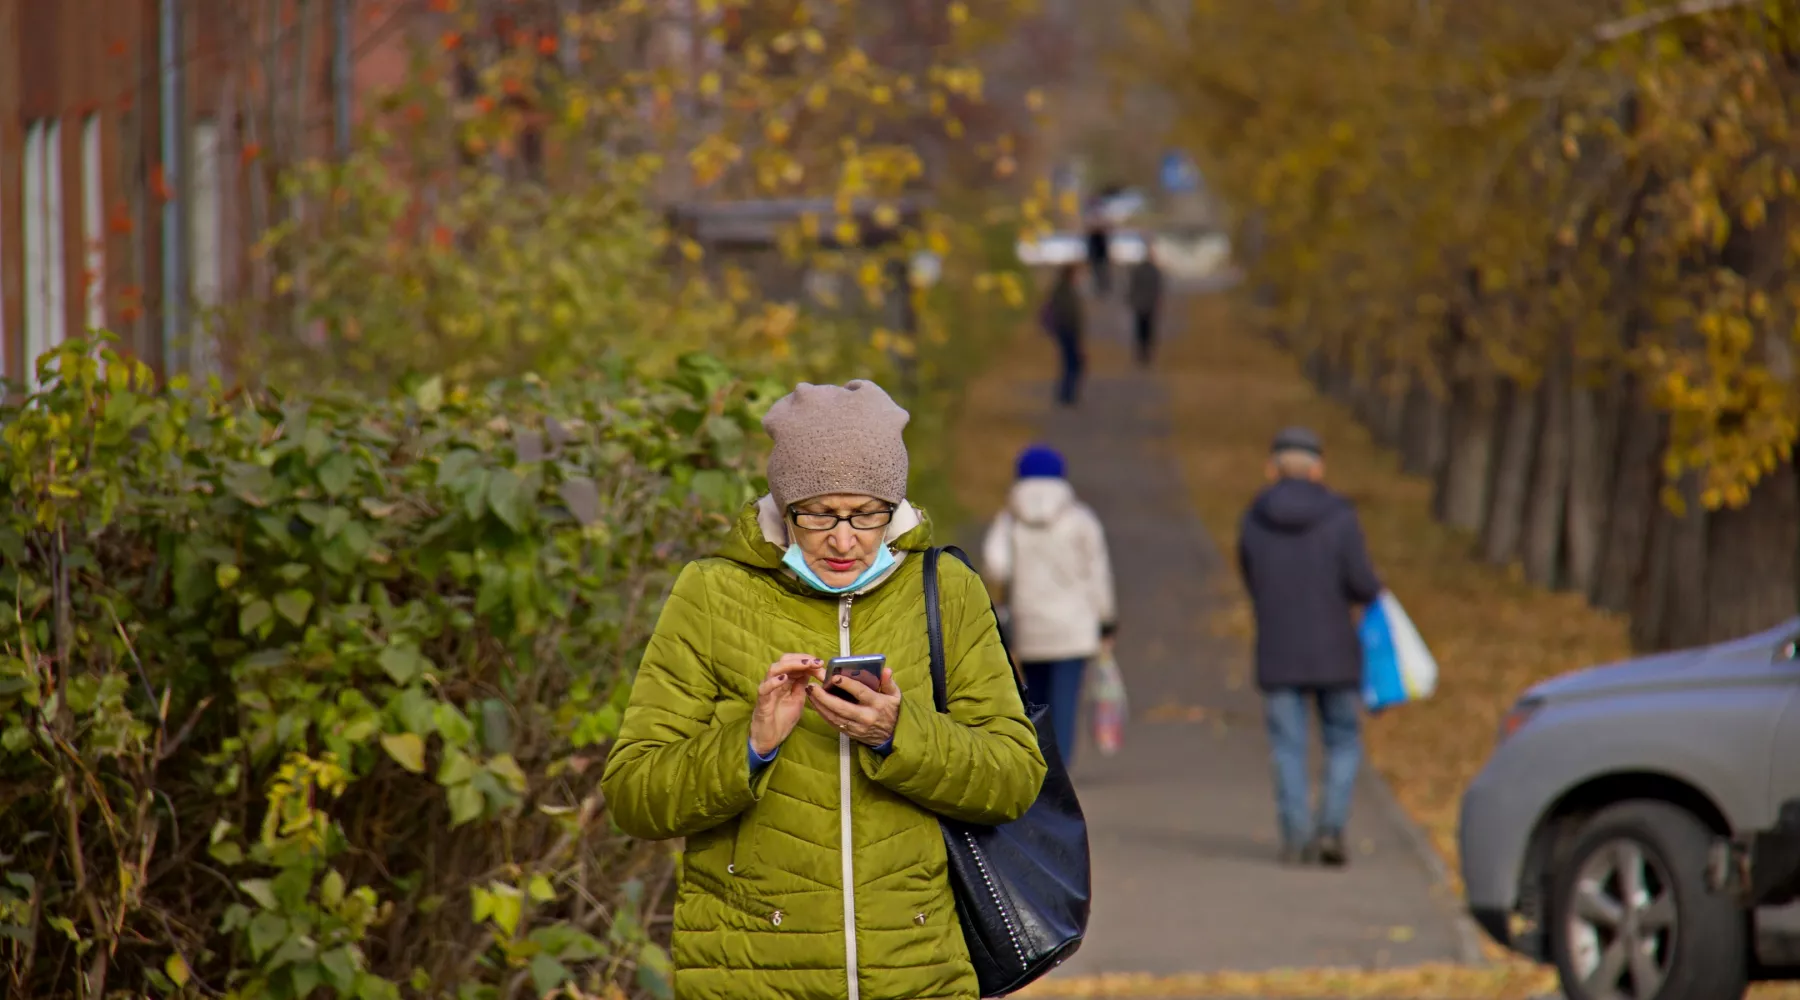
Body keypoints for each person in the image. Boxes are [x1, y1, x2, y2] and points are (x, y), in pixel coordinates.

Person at [599, 379, 1047, 1000]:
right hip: (749, 971)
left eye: (866, 514)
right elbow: (633, 795)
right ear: (784, 508)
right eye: (819, 514)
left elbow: (1015, 777)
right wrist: (750, 744)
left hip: (917, 968)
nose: (843, 540)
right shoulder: (710, 594)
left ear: (894, 505)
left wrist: (898, 734)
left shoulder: (945, 588)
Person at [1235, 426, 1383, 868]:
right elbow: (1362, 583)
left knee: (1288, 746)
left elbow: (1252, 578)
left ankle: (1296, 837)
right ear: (1318, 468)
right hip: (1335, 651)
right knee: (1342, 739)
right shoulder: (1340, 516)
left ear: (1272, 467)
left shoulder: (1254, 517)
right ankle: (1331, 829)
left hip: (1278, 648)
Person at [981, 444, 1117, 768]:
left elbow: (995, 563)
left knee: (1036, 700)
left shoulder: (1010, 519)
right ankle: (1062, 771)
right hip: (1075, 628)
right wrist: (1106, 619)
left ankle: (1039, 769)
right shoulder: (1081, 519)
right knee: (1065, 703)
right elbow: (1098, 573)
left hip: (1030, 627)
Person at [1042, 263, 1086, 407]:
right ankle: (1067, 394)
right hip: (1068, 330)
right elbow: (1069, 314)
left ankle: (1066, 393)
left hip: (1065, 330)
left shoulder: (1062, 289)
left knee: (1070, 362)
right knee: (1072, 362)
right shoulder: (1065, 291)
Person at [1127, 244, 1165, 366]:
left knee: (1140, 329)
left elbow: (1133, 286)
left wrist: (1131, 299)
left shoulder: (1139, 270)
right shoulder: (1154, 271)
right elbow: (1158, 288)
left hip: (1140, 304)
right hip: (1149, 304)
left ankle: (1142, 352)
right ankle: (1146, 352)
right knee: (1148, 330)